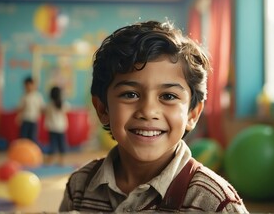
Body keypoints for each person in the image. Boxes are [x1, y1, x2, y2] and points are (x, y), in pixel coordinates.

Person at [59, 20, 249, 212]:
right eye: (130, 94)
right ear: (103, 109)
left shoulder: (215, 202)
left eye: (168, 96)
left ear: (192, 114)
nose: (148, 111)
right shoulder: (79, 186)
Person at [44, 86, 70, 165]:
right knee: (61, 144)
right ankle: (62, 161)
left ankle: (49, 161)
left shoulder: (49, 105)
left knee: (53, 144)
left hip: (52, 128)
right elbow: (68, 109)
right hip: (61, 128)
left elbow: (45, 112)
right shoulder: (63, 104)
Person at [18, 76, 45, 143]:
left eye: (31, 85)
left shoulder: (38, 96)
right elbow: (20, 108)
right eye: (26, 86)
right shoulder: (24, 96)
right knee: (23, 136)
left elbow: (41, 108)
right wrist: (18, 117)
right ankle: (24, 150)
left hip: (34, 119)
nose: (29, 87)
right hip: (25, 119)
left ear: (34, 85)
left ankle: (32, 152)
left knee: (33, 137)